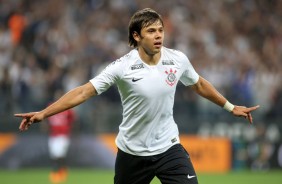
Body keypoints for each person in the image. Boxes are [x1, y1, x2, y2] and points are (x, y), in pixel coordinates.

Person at [15, 8, 259, 184]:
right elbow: (83, 92)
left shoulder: (177, 59)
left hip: (168, 148)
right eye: (151, 31)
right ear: (136, 36)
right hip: (132, 153)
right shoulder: (121, 66)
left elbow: (198, 84)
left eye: (161, 30)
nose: (158, 35)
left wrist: (230, 106)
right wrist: (44, 113)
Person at [46, 90, 76, 183]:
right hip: (53, 135)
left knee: (60, 155)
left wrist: (72, 131)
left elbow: (73, 121)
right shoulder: (50, 106)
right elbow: (46, 119)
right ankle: (59, 172)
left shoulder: (67, 107)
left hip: (63, 135)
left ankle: (60, 173)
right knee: (54, 156)